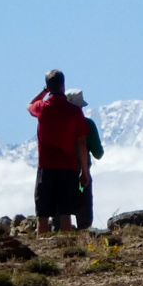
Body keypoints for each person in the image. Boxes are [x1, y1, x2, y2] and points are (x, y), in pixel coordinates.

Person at [29, 69, 91, 234]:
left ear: (49, 87)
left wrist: (44, 91)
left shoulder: (42, 107)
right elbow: (82, 142)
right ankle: (67, 250)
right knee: (66, 213)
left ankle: (41, 249)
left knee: (43, 214)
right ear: (64, 86)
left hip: (46, 168)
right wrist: (84, 171)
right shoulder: (75, 111)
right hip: (68, 168)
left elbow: (29, 105)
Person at [68, 90, 104, 232]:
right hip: (82, 177)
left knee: (61, 214)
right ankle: (84, 236)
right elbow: (98, 153)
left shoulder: (58, 126)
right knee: (84, 216)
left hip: (60, 174)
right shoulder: (87, 124)